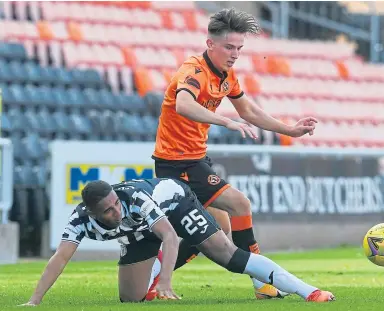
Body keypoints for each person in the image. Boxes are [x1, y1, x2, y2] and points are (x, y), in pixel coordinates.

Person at [152, 7, 318, 299]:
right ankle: (262, 285)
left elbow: (249, 110)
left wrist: (290, 130)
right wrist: (226, 120)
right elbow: (184, 105)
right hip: (177, 163)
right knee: (240, 205)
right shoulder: (193, 71)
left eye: (239, 48)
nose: (235, 53)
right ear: (210, 44)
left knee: (217, 231)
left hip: (193, 160)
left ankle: (150, 275)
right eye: (229, 47)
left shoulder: (227, 75)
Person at [20, 179, 334, 306]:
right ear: (92, 212)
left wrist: (166, 281)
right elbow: (59, 259)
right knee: (131, 299)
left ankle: (309, 291)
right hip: (140, 233)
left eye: (116, 204)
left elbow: (169, 235)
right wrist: (34, 301)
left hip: (176, 204)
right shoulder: (79, 220)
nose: (116, 210)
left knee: (229, 256)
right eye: (108, 210)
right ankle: (196, 244)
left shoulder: (134, 199)